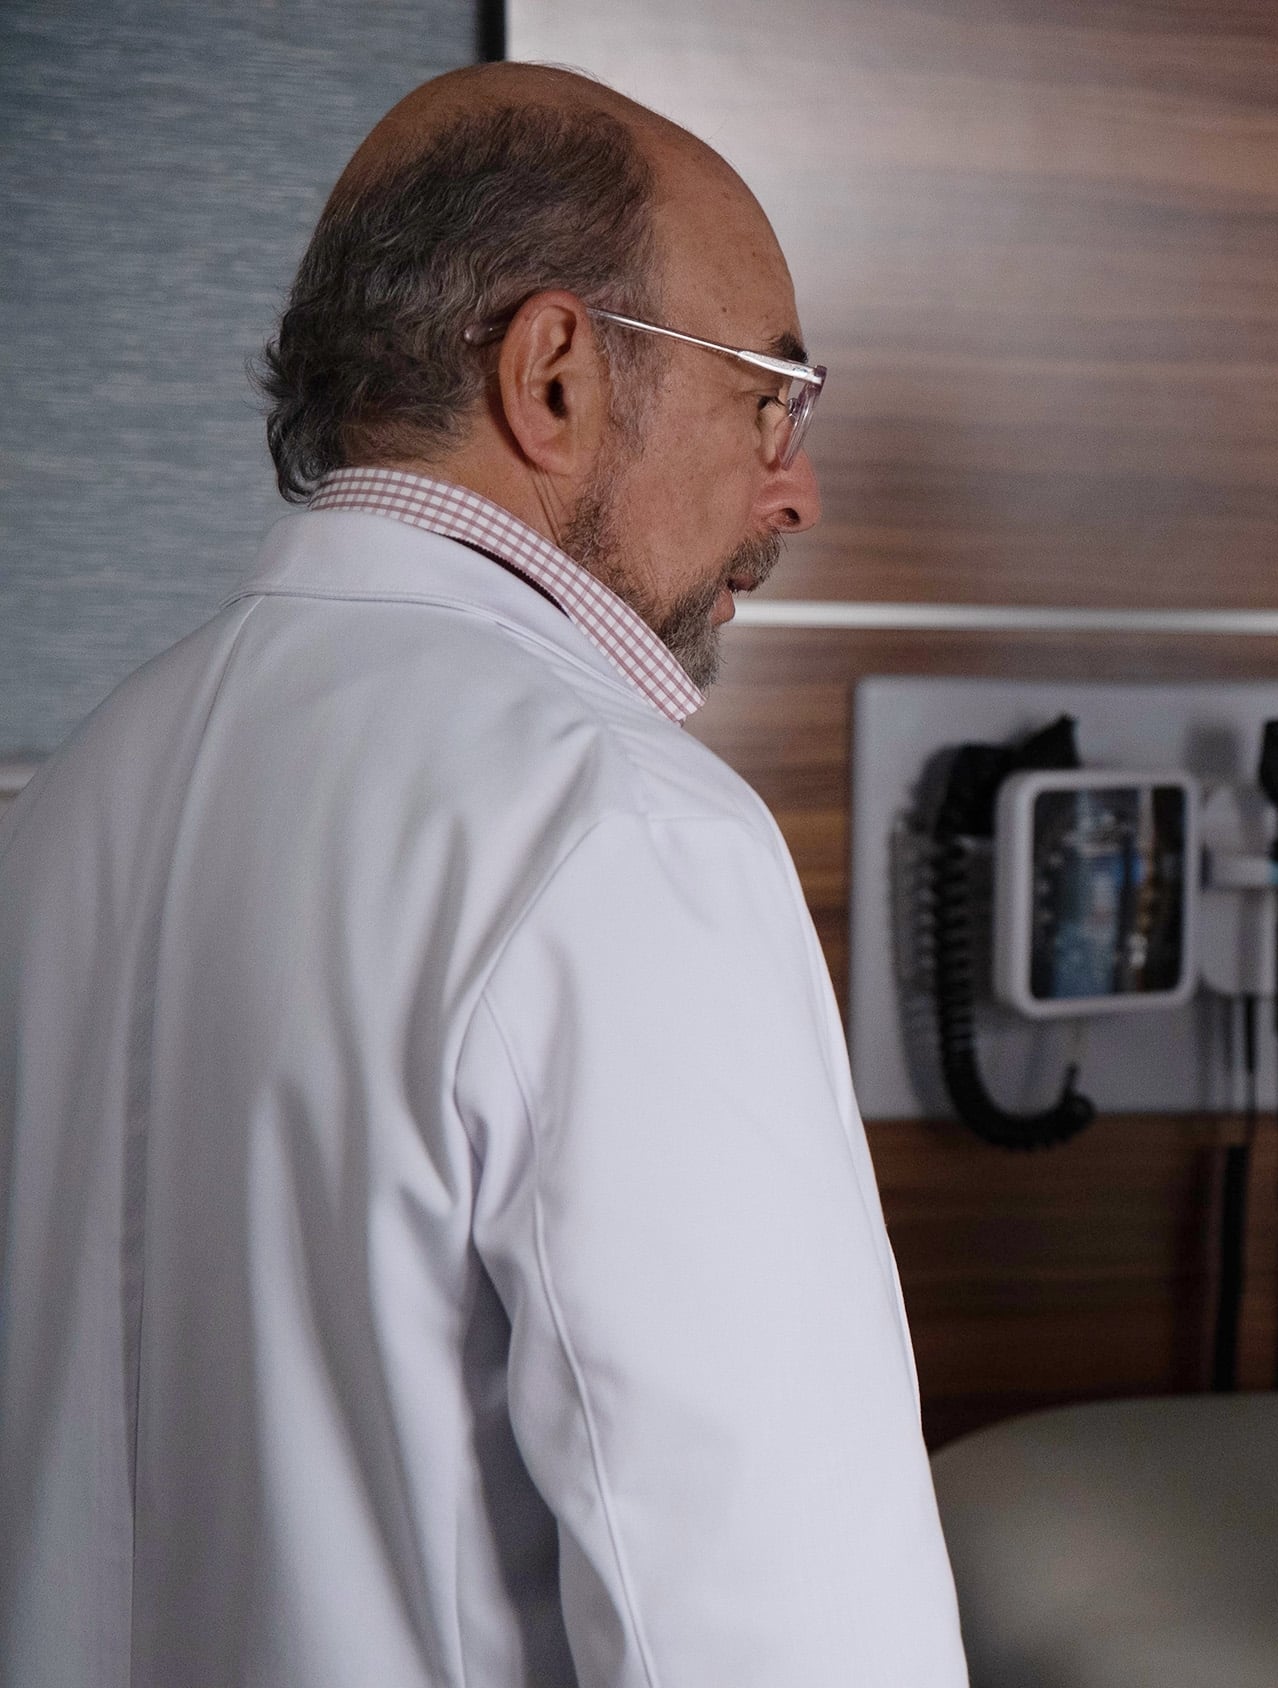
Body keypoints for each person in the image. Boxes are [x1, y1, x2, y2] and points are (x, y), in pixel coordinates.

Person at [0, 65, 968, 1686]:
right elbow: (773, 1633)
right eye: (769, 398)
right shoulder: (623, 836)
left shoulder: (72, 803)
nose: (795, 488)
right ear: (555, 375)